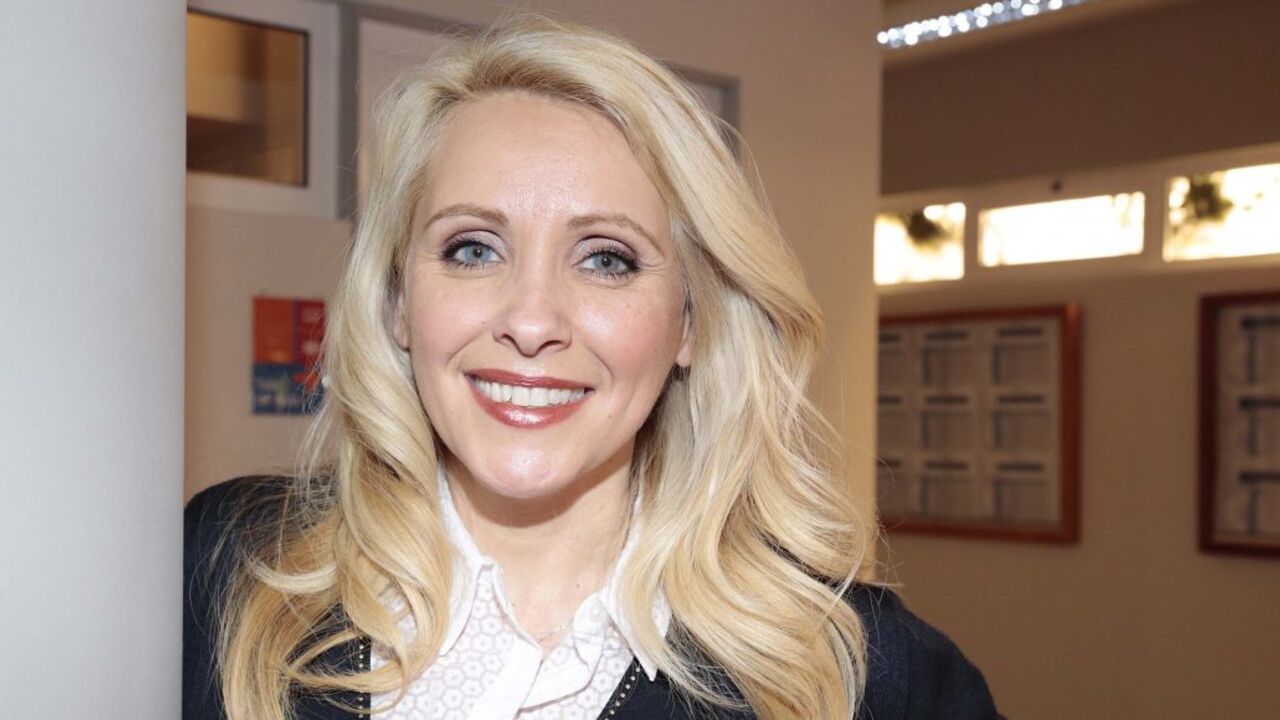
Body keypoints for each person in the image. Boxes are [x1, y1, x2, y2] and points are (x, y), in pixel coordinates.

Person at [184, 15, 999, 720]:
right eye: (473, 249)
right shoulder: (224, 571)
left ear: (691, 322)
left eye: (607, 259)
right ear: (398, 300)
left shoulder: (869, 677)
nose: (532, 321)